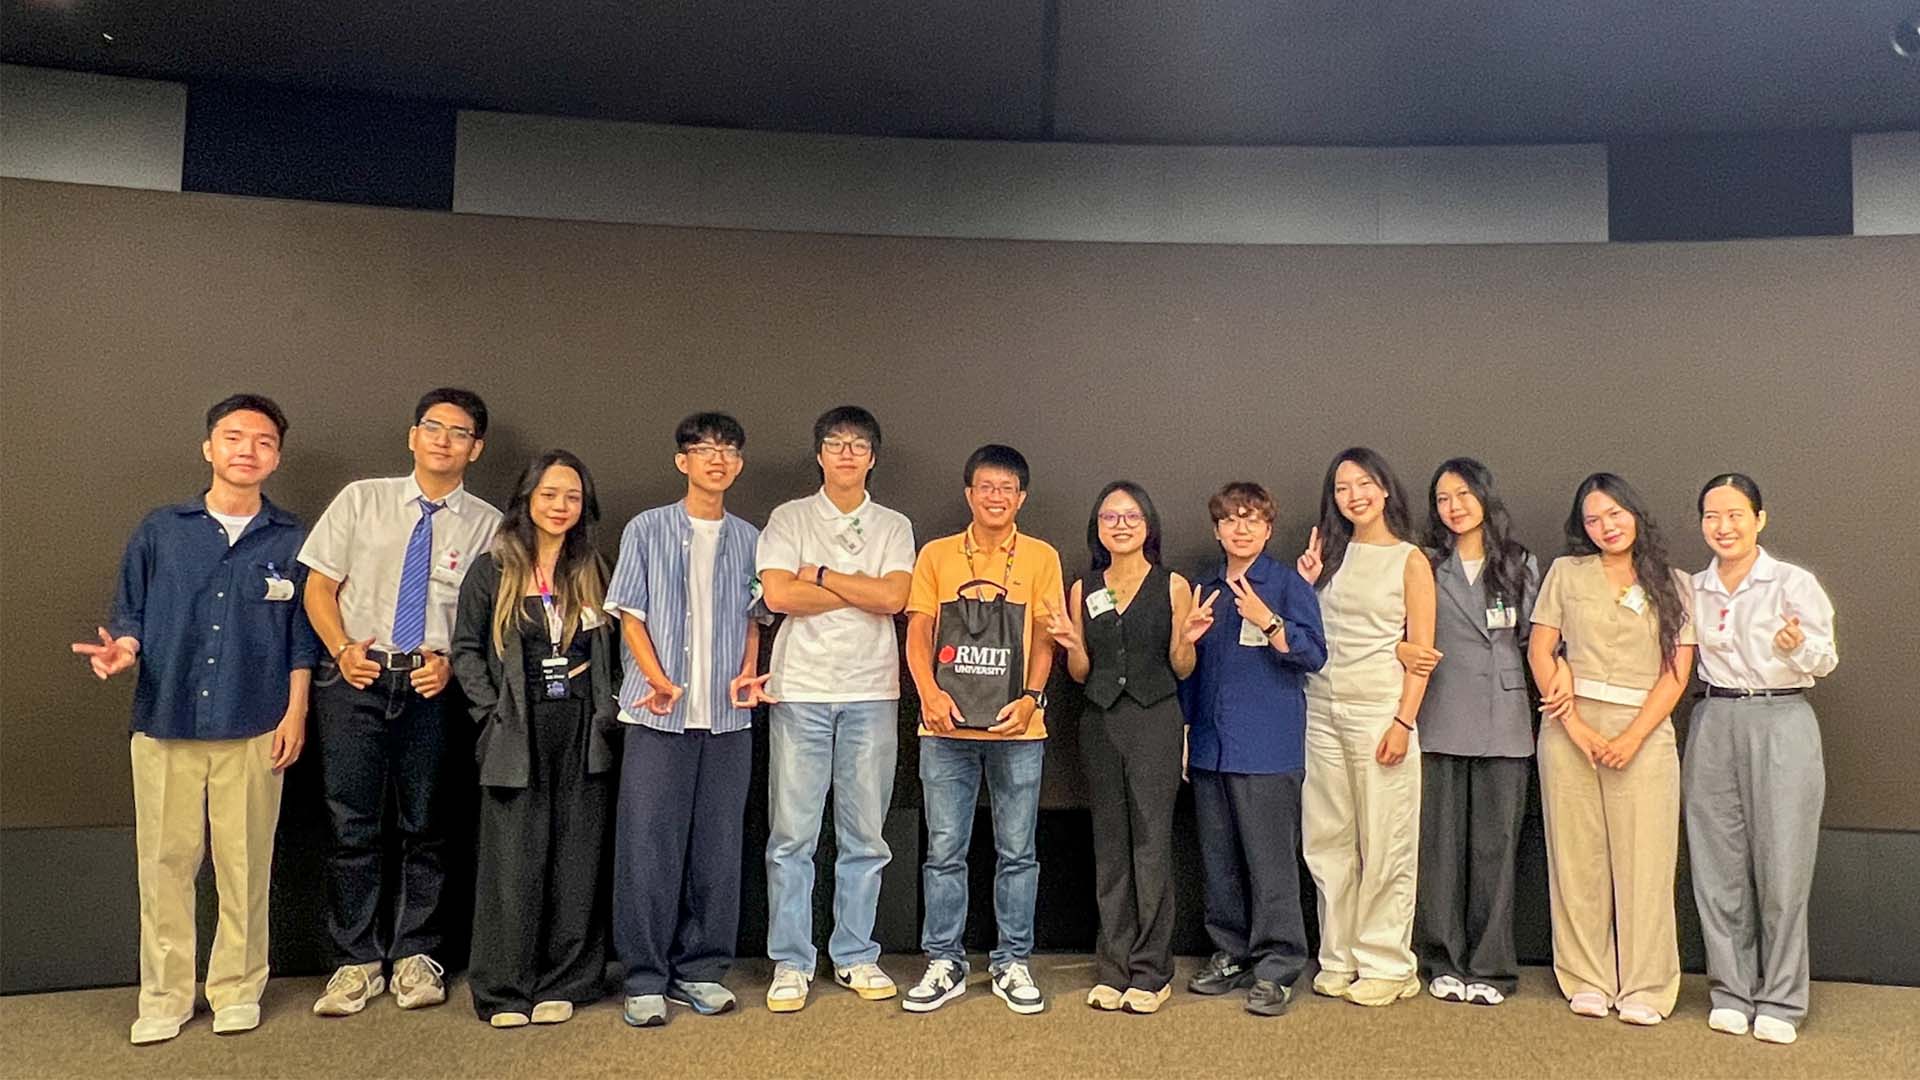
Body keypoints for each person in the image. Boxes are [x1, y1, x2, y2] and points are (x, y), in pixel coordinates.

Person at [73, 395, 317, 1045]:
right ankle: (165, 996)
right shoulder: (162, 529)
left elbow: (303, 638)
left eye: (263, 441)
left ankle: (237, 989)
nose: (247, 450)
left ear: (277, 457)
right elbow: (129, 616)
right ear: (209, 448)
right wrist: (124, 651)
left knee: (245, 868)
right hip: (166, 721)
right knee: (164, 866)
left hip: (257, 723)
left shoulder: (293, 538)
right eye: (233, 437)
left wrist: (295, 712)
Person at [300, 387, 503, 1017]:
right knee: (351, 825)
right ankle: (355, 960)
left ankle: (418, 953)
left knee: (429, 826)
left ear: (476, 448)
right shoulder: (361, 499)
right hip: (356, 680)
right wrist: (340, 650)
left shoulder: (490, 525)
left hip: (431, 687)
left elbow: (489, 618)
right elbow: (318, 588)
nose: (444, 440)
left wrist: (452, 664)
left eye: (459, 432)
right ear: (413, 436)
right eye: (433, 427)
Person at [607, 412, 773, 1029]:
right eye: (704, 449)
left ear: (739, 463)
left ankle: (701, 970)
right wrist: (655, 677)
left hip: (727, 719)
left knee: (718, 850)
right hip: (658, 715)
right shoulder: (647, 528)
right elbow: (630, 614)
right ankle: (645, 977)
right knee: (649, 847)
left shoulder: (751, 537)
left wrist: (749, 670)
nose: (717, 459)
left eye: (728, 450)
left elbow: (756, 618)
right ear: (683, 461)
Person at [450, 450, 619, 1028]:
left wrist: (609, 708)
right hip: (515, 733)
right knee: (512, 863)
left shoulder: (593, 568)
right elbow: (466, 649)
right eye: (549, 494)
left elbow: (619, 647)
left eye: (572, 496)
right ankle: (504, 989)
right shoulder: (492, 569)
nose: (560, 506)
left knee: (577, 860)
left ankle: (567, 980)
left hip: (582, 730)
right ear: (526, 499)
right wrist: (489, 712)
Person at [757, 407, 915, 1013]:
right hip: (800, 690)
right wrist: (859, 589)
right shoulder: (790, 517)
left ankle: (855, 954)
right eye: (835, 443)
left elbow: (894, 597)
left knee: (865, 838)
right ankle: (791, 962)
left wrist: (821, 575)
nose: (846, 453)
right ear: (819, 454)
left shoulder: (893, 525)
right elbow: (778, 594)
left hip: (872, 693)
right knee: (791, 837)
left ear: (872, 458)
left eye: (858, 445)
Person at [901, 444, 1064, 1015]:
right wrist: (929, 694)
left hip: (1018, 730)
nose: (996, 497)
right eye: (986, 487)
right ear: (969, 494)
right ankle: (943, 960)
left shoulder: (1041, 556)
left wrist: (1031, 698)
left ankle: (1012, 960)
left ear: (1022, 497)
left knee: (1017, 851)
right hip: (944, 728)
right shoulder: (937, 554)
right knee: (944, 850)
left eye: (1007, 488)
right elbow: (918, 630)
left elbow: (1046, 636)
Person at [1527, 472, 1695, 1026]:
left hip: (1644, 733)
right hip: (1568, 727)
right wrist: (1576, 727)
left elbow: (1676, 674)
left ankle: (1647, 985)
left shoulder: (1675, 584)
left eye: (1615, 514)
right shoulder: (1566, 573)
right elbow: (1541, 650)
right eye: (1594, 519)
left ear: (1635, 514)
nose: (1606, 526)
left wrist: (1631, 737)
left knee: (1646, 862)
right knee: (1577, 860)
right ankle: (1587, 978)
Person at [1686, 473, 1837, 1045]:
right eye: (1712, 516)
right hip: (1714, 717)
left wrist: (1798, 647)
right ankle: (1731, 990)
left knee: (1783, 866)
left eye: (1735, 515)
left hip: (1782, 718)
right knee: (1716, 864)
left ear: (1759, 519)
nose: (1723, 527)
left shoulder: (1792, 582)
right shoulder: (1693, 588)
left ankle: (1781, 998)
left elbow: (1826, 659)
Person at [1046, 482, 1201, 1015]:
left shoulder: (1173, 585)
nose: (1121, 525)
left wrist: (1188, 640)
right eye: (1110, 516)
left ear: (1148, 525)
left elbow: (1182, 668)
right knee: (1110, 847)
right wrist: (1072, 646)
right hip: (1100, 723)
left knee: (1151, 845)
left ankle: (1152, 972)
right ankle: (1113, 968)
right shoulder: (1084, 587)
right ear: (1098, 527)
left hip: (1155, 720)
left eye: (1131, 515)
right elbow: (1080, 672)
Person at [1177, 482, 1327, 1017]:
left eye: (1252, 519)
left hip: (1267, 748)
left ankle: (1278, 967)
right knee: (1219, 862)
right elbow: (1190, 671)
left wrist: (1270, 620)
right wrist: (1188, 731)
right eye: (1230, 520)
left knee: (1271, 866)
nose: (1241, 529)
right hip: (1211, 747)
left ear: (1268, 529)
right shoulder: (1204, 588)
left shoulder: (1286, 585)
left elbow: (1315, 655)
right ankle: (1230, 953)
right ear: (1216, 529)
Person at [1296, 447, 1436, 1008]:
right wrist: (1306, 584)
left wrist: (1403, 720)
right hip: (1320, 708)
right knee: (1327, 840)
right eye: (1342, 487)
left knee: (1386, 841)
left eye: (1363, 484)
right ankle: (1339, 957)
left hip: (1380, 710)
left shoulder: (1409, 559)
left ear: (1385, 489)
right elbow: (1313, 634)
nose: (1353, 496)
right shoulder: (1326, 556)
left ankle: (1388, 963)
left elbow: (1421, 653)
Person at [1405, 458, 1539, 1007]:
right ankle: (1443, 959)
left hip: (1503, 718)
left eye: (1463, 494)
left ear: (1485, 496)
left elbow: (1537, 641)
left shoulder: (1519, 562)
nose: (1453, 507)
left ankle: (1490, 967)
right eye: (1442, 498)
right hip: (1439, 712)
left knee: (1496, 850)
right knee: (1439, 850)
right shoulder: (1424, 563)